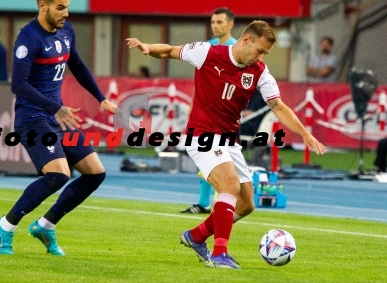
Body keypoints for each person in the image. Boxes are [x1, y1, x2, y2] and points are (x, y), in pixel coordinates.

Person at [127, 20, 325, 269]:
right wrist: (147, 47)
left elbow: (279, 106)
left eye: (265, 53)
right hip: (202, 134)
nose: (261, 57)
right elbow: (169, 51)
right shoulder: (208, 53)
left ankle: (196, 236)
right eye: (260, 50)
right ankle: (220, 253)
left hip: (228, 140)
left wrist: (304, 133)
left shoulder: (260, 72)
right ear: (246, 40)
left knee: (247, 204)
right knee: (229, 185)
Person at [0, 0, 117, 256]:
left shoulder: (66, 31)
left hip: (56, 119)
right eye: (60, 8)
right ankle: (5, 225)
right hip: (32, 119)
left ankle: (46, 225)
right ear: (43, 5)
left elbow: (78, 66)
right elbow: (19, 85)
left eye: (67, 8)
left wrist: (100, 97)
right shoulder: (28, 38)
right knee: (59, 174)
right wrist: (56, 108)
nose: (66, 14)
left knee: (96, 173)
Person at [180, 7, 237, 214]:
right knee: (206, 159)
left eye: (220, 22)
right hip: (204, 115)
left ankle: (221, 202)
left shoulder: (237, 49)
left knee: (222, 160)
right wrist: (192, 106)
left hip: (223, 117)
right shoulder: (206, 47)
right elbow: (200, 82)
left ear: (230, 24)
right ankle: (206, 203)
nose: (215, 26)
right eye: (213, 22)